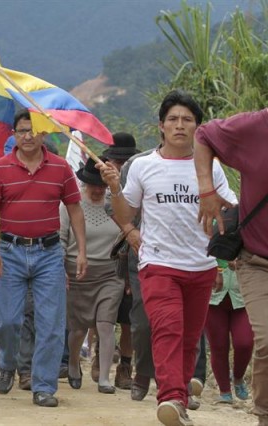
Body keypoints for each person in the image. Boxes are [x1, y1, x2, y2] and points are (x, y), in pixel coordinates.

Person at [98, 90, 236, 426]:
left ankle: (180, 398)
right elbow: (126, 213)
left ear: (198, 128)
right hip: (159, 265)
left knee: (190, 339)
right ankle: (171, 397)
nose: (179, 125)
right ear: (160, 126)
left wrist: (224, 255)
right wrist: (115, 188)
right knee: (168, 329)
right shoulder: (144, 165)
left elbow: (230, 210)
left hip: (201, 267)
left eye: (187, 120)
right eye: (172, 119)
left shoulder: (212, 169)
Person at [0, 109, 87, 408]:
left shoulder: (61, 167)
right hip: (10, 253)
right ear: (14, 134)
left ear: (43, 133)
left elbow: (75, 209)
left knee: (51, 323)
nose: (27, 136)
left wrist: (81, 251)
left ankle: (43, 386)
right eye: (22, 131)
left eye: (33, 130)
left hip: (50, 253)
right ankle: (7, 362)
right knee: (7, 321)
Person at [194, 109, 268, 425]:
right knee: (265, 339)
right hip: (257, 261)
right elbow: (204, 135)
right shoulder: (256, 127)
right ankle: (264, 412)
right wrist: (207, 190)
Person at [63, 158, 122, 394]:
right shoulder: (70, 204)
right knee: (78, 329)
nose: (98, 189)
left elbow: (129, 230)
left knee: (105, 325)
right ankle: (73, 362)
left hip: (110, 273)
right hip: (77, 273)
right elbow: (60, 238)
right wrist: (60, 269)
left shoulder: (116, 204)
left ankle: (105, 378)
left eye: (102, 186)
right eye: (93, 185)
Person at [101, 132, 139, 390]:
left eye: (126, 161)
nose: (121, 165)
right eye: (118, 161)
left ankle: (126, 365)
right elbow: (115, 213)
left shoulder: (142, 177)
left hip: (136, 255)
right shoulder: (106, 186)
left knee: (128, 316)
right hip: (109, 255)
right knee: (102, 314)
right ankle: (99, 356)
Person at [205, 259, 253, 404]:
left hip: (244, 295)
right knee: (218, 346)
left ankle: (238, 377)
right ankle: (225, 392)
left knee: (244, 343)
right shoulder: (210, 236)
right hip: (213, 296)